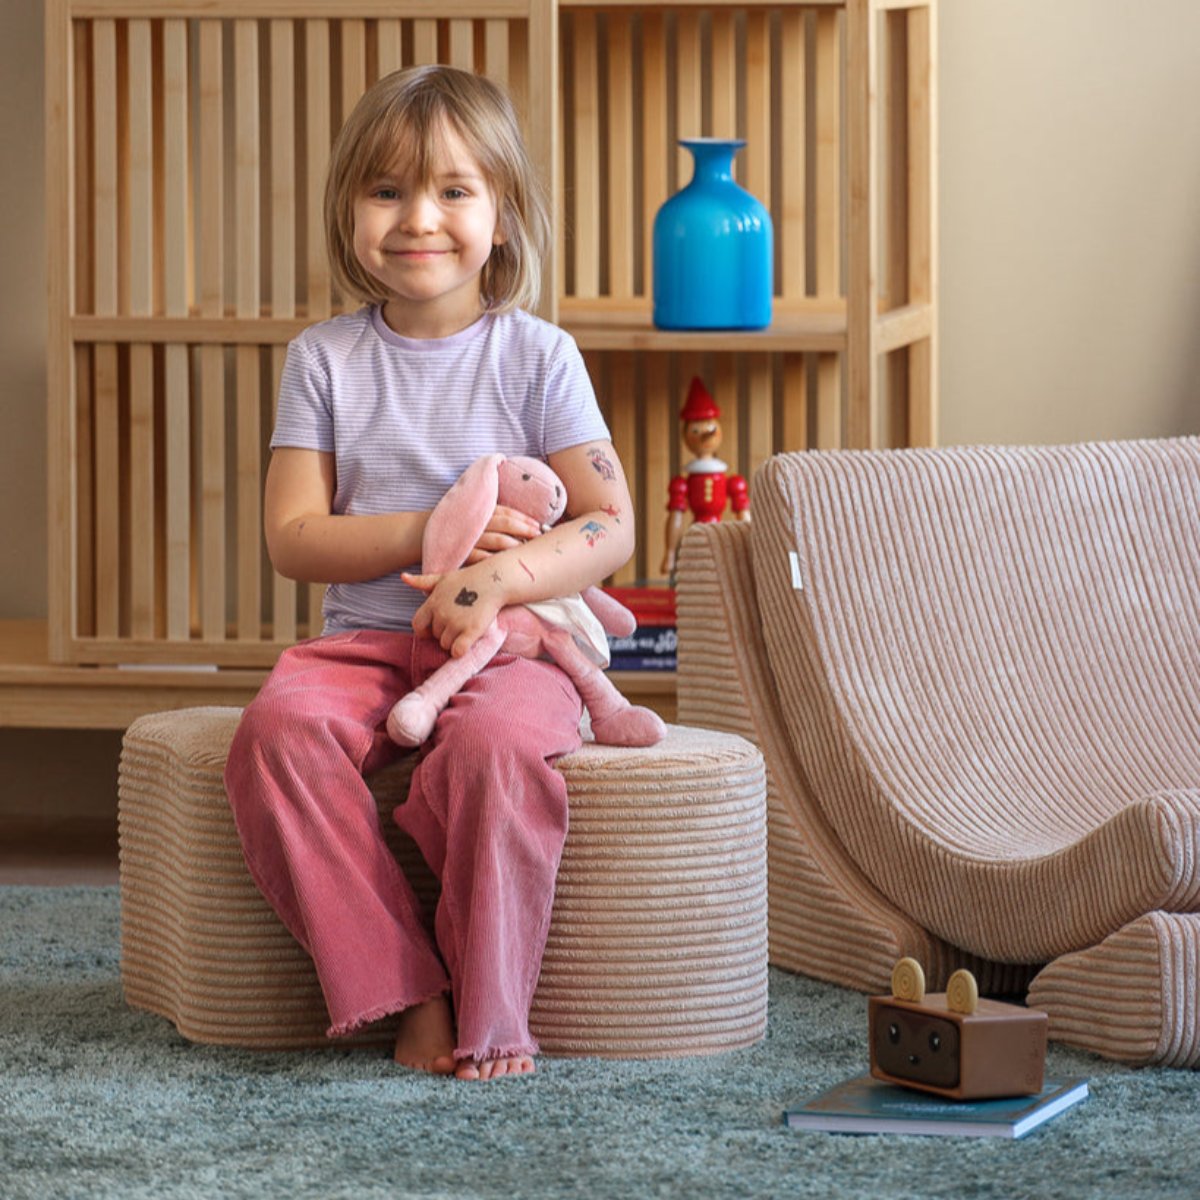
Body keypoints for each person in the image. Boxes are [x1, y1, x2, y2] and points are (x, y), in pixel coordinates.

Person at [223, 65, 636, 1082]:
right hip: (363, 643)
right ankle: (411, 987)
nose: (420, 218)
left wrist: (497, 581)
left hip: (508, 648)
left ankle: (494, 1010)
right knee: (275, 734)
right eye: (387, 189)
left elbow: (611, 523)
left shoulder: (539, 356)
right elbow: (294, 537)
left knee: (496, 751)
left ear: (502, 217)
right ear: (349, 211)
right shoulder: (323, 359)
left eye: (454, 190)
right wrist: (440, 533)